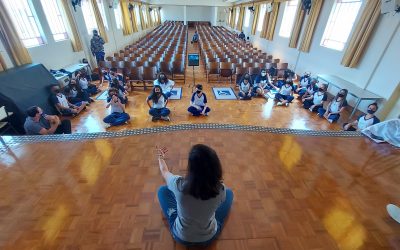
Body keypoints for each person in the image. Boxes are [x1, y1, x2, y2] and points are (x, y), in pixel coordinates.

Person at [156, 144, 233, 246]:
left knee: (162, 190)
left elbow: (164, 171)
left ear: (191, 167)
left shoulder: (178, 184)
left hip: (181, 237)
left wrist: (160, 157)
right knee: (229, 193)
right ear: (216, 165)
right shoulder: (220, 189)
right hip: (208, 238)